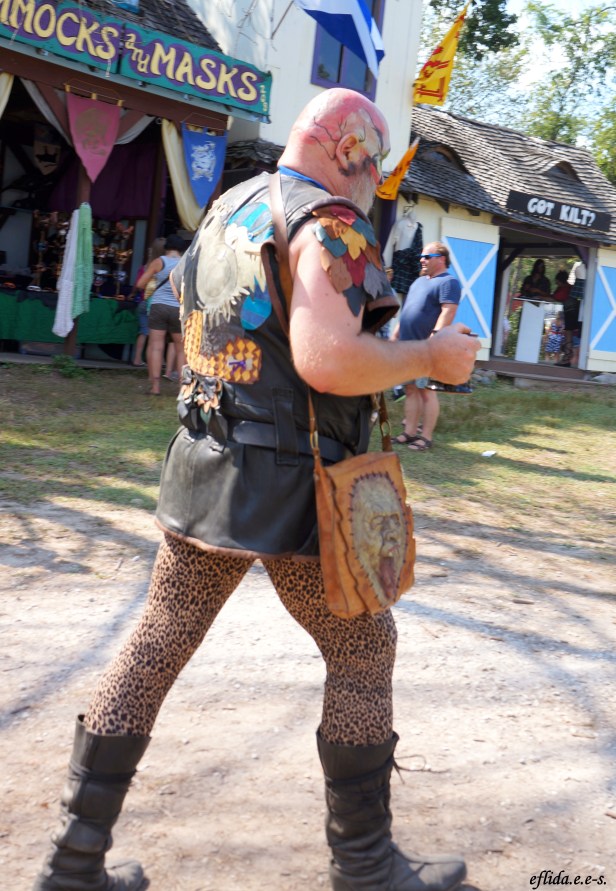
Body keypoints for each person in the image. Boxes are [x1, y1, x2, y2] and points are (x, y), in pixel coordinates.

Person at [33, 89, 479, 891]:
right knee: (363, 647)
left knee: (156, 642)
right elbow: (327, 358)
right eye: (373, 166)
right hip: (295, 484)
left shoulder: (230, 205)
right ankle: (367, 867)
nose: (374, 183)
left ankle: (72, 861)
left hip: (205, 461)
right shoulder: (332, 224)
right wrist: (430, 358)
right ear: (351, 152)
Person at [391, 242, 462, 452]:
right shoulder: (418, 282)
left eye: (426, 256)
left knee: (427, 392)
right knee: (411, 389)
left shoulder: (449, 282)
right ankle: (409, 432)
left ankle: (426, 437)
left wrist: (434, 339)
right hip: (407, 345)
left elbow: (448, 312)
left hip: (427, 347)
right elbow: (407, 312)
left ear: (441, 259)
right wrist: (395, 336)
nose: (421, 259)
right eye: (421, 256)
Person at [135, 234, 186, 395]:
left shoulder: (159, 262)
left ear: (167, 247)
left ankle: (155, 387)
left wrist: (155, 281)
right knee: (180, 349)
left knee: (156, 346)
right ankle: (183, 389)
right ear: (181, 249)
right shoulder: (187, 264)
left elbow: (140, 284)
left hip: (158, 307)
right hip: (178, 308)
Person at [129, 236, 165, 367]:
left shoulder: (145, 267)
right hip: (155, 304)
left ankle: (137, 358)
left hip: (143, 302)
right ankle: (153, 361)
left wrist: (132, 294)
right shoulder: (164, 268)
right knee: (155, 335)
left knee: (143, 332)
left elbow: (138, 284)